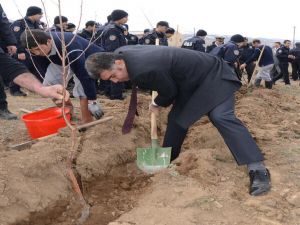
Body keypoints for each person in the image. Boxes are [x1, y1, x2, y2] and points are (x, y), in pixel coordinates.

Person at [85, 45, 271, 196]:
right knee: (177, 120)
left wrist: (157, 103)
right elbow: (168, 84)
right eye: (110, 80)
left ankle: (258, 169)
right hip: (189, 82)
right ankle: (168, 160)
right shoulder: (121, 54)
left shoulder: (143, 69)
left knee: (220, 116)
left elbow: (169, 92)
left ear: (118, 63)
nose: (115, 82)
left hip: (214, 75)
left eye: (113, 76)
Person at [20, 29, 104, 123]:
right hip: (61, 60)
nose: (37, 53)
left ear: (49, 41)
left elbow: (84, 76)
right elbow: (43, 68)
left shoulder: (70, 46)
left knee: (82, 88)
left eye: (38, 49)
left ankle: (87, 120)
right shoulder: (33, 48)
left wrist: (92, 100)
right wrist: (56, 90)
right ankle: (68, 112)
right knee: (49, 84)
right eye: (32, 51)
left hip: (87, 58)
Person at [10, 6, 44, 96]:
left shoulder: (37, 24)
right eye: (40, 14)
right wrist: (20, 52)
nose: (41, 16)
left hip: (35, 52)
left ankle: (37, 88)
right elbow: (15, 39)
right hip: (24, 52)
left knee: (37, 70)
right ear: (33, 14)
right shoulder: (20, 23)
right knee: (20, 70)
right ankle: (14, 90)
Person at [100, 9, 129, 100]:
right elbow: (112, 48)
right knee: (117, 75)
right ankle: (116, 96)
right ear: (119, 17)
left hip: (113, 56)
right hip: (114, 57)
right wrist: (118, 60)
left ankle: (110, 93)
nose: (127, 19)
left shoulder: (117, 28)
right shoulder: (112, 30)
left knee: (112, 75)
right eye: (125, 17)